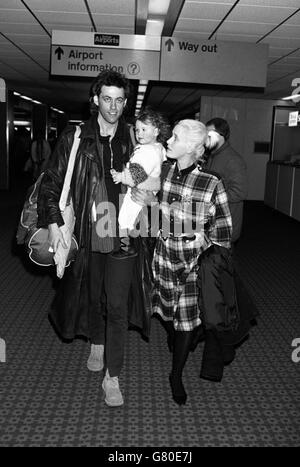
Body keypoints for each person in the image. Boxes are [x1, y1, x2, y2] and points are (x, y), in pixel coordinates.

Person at [37, 70, 137, 407]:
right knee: (94, 295)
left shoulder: (134, 138)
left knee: (118, 306)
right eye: (107, 98)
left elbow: (152, 180)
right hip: (87, 230)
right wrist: (55, 228)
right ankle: (97, 339)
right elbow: (50, 185)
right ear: (95, 100)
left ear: (126, 102)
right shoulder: (76, 137)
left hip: (123, 232)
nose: (113, 106)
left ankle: (114, 377)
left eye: (119, 100)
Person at [139, 119, 233, 405]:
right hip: (165, 257)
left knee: (186, 322)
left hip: (193, 265)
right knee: (166, 313)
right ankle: (179, 335)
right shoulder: (165, 173)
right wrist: (148, 203)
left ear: (193, 147)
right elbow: (154, 220)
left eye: (175, 138)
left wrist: (203, 238)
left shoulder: (212, 182)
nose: (168, 140)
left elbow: (224, 232)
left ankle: (176, 374)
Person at [110, 107, 170, 254]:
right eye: (137, 130)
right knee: (135, 218)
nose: (139, 133)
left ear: (156, 131)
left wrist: (120, 177)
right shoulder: (156, 147)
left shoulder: (148, 151)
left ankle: (126, 246)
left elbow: (137, 174)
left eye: (144, 129)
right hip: (148, 191)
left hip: (140, 191)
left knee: (124, 218)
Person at [205, 117, 248, 244]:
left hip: (224, 225)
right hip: (213, 222)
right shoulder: (213, 156)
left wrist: (211, 199)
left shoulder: (233, 160)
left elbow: (239, 192)